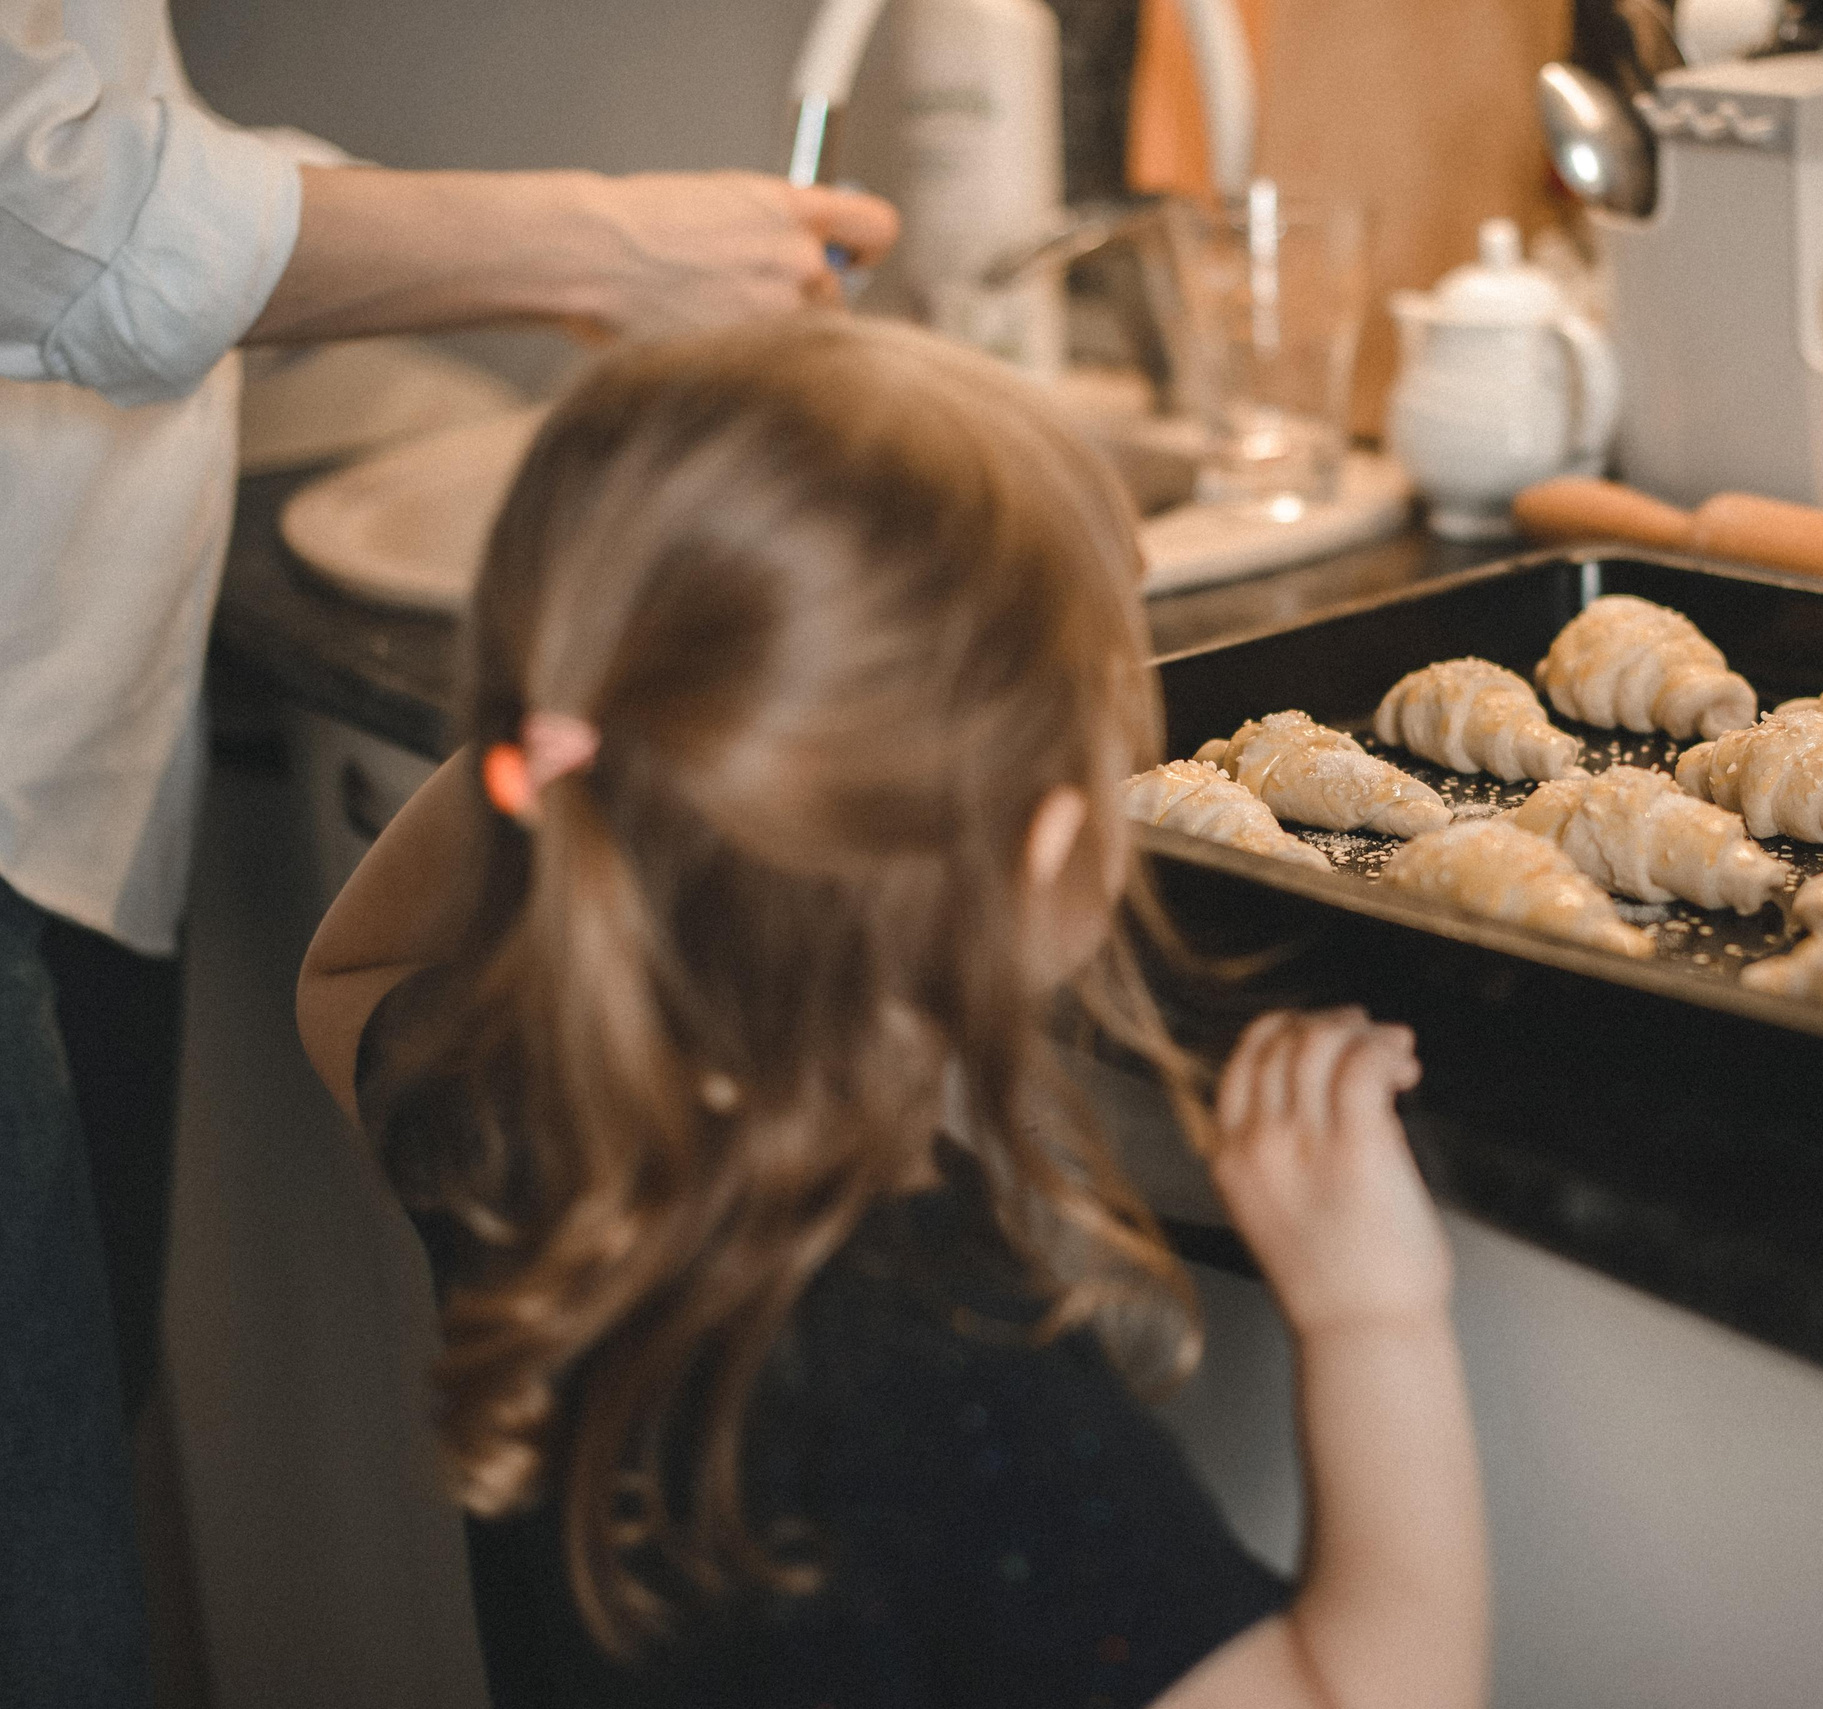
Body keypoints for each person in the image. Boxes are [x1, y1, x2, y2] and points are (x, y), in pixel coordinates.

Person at [293, 314, 1489, 1707]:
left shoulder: (526, 1116)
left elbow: (349, 969)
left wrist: (578, 727)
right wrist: (1370, 1313)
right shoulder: (950, 1369)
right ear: (1051, 861)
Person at [0, 7, 899, 1702]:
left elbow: (350, 968)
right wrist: (1361, 1303)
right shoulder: (1008, 1375)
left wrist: (540, 720)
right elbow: (51, 193)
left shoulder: (482, 1109)